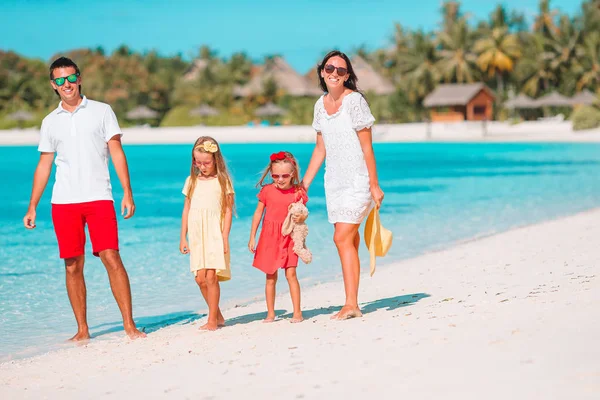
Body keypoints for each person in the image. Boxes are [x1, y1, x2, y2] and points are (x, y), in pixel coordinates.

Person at [22, 56, 145, 340]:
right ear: (53, 85)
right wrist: (32, 206)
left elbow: (116, 151)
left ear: (79, 78)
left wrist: (127, 191)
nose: (67, 84)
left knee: (111, 256)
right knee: (72, 264)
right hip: (63, 202)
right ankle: (82, 330)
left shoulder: (102, 111)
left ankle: (129, 325)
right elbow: (44, 165)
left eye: (71, 77)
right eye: (60, 80)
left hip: (99, 197)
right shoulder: (49, 122)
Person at [302, 50, 385, 320]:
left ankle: (351, 304)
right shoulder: (319, 105)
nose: (334, 74)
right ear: (322, 72)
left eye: (341, 70)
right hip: (334, 181)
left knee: (340, 238)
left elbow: (367, 148)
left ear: (347, 75)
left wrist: (374, 184)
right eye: (330, 68)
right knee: (349, 239)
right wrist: (304, 184)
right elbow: (320, 149)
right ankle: (353, 301)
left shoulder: (355, 102)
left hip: (357, 180)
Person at [180, 136, 234, 331]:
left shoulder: (223, 181)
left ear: (216, 160)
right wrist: (182, 237)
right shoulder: (191, 181)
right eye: (198, 162)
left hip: (214, 233)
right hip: (196, 234)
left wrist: (225, 237)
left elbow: (228, 211)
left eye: (207, 162)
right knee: (199, 278)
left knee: (211, 277)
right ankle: (218, 314)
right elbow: (186, 209)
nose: (202, 166)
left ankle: (212, 321)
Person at [248, 151, 308, 323]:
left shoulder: (298, 192)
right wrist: (252, 236)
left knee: (291, 274)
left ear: (293, 174)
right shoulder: (267, 191)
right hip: (269, 237)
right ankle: (270, 313)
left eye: (284, 176)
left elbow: (303, 213)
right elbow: (258, 213)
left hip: (289, 236)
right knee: (270, 276)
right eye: (275, 176)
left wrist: (302, 218)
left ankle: (297, 312)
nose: (280, 179)